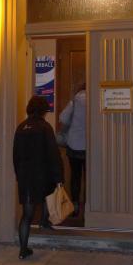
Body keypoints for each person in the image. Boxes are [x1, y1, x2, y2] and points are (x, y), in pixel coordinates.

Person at [13, 95, 63, 260]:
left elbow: (15, 155)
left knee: (27, 214)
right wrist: (58, 176)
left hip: (25, 175)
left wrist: (19, 174)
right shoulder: (45, 127)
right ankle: (44, 221)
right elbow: (53, 154)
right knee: (48, 194)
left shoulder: (21, 127)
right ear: (43, 110)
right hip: (43, 174)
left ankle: (23, 250)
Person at [59, 83, 86, 217]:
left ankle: (75, 206)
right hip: (90, 146)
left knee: (75, 176)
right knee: (90, 178)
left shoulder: (74, 101)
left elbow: (63, 118)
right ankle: (89, 207)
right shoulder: (96, 100)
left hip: (74, 144)